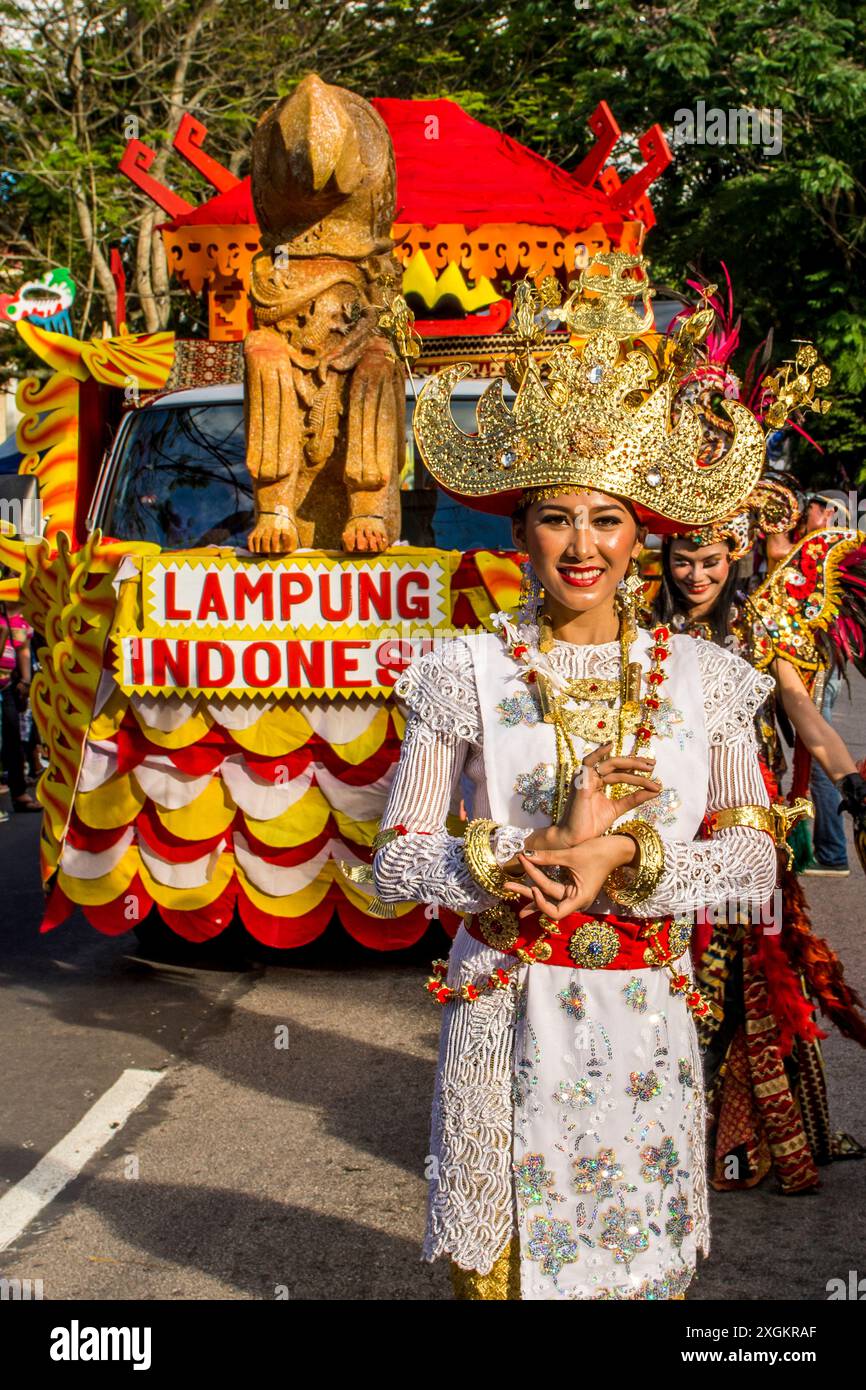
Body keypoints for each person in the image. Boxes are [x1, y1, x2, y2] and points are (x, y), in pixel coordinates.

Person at [371, 251, 784, 1300]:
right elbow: (395, 859)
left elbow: (750, 859)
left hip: (641, 1016)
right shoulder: (459, 669)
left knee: (632, 1271)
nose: (581, 544)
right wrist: (533, 857)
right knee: (499, 1272)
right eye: (557, 517)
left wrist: (617, 851)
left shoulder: (707, 677)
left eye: (606, 520)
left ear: (640, 539)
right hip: (499, 1007)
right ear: (516, 535)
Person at [655, 516, 866, 1192]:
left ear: (734, 556)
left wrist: (851, 782)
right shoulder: (639, 625)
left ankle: (754, 1133)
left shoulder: (759, 627)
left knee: (753, 976)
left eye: (710, 561)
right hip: (663, 823)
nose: (696, 576)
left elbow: (800, 709)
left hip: (747, 825)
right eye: (683, 561)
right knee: (669, 971)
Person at [0, 601, 39, 812]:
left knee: (12, 738)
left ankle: (19, 793)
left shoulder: (19, 615)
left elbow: (23, 649)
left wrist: (25, 681)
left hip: (8, 685)